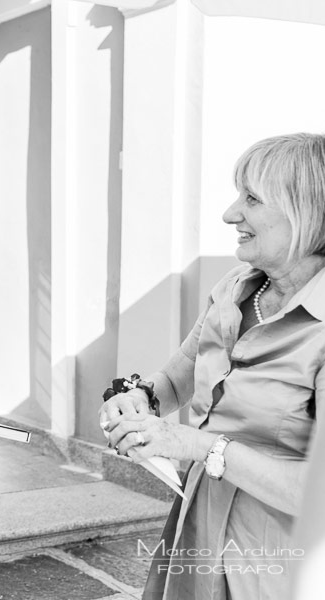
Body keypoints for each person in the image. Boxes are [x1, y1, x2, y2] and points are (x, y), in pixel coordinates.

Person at [100, 133, 325, 599]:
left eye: (252, 198)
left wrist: (198, 445)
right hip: (196, 526)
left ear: (305, 211)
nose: (230, 213)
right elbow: (176, 378)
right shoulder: (235, 287)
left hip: (278, 560)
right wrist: (140, 399)